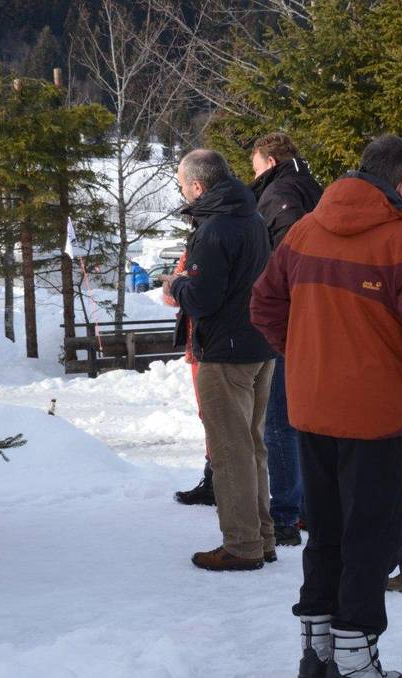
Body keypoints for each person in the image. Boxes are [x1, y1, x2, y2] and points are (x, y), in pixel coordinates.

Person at [251, 134, 402, 678]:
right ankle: (357, 660)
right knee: (370, 537)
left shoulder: (304, 229)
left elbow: (265, 304)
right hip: (375, 417)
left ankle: (316, 654)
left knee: (326, 533)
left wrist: (306, 357)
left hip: (313, 410)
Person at [162, 149, 277, 572]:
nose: (181, 192)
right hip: (258, 347)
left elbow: (205, 299)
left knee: (231, 452)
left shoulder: (213, 230)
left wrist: (176, 287)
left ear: (197, 186)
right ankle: (261, 538)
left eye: (181, 185)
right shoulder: (252, 217)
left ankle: (243, 545)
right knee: (253, 448)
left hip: (225, 353)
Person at [249, 132, 324, 548]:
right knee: (303, 420)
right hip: (312, 319)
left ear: (271, 160)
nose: (253, 173)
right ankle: (307, 507)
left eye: (256, 163)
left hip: (293, 321)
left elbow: (288, 259)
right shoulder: (309, 186)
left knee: (280, 422)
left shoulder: (280, 193)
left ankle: (285, 514)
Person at [164, 249, 215, 507]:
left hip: (211, 344)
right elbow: (168, 296)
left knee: (221, 416)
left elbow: (187, 294)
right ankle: (214, 479)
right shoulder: (192, 250)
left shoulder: (214, 243)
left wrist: (179, 284)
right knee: (207, 414)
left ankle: (222, 483)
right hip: (198, 347)